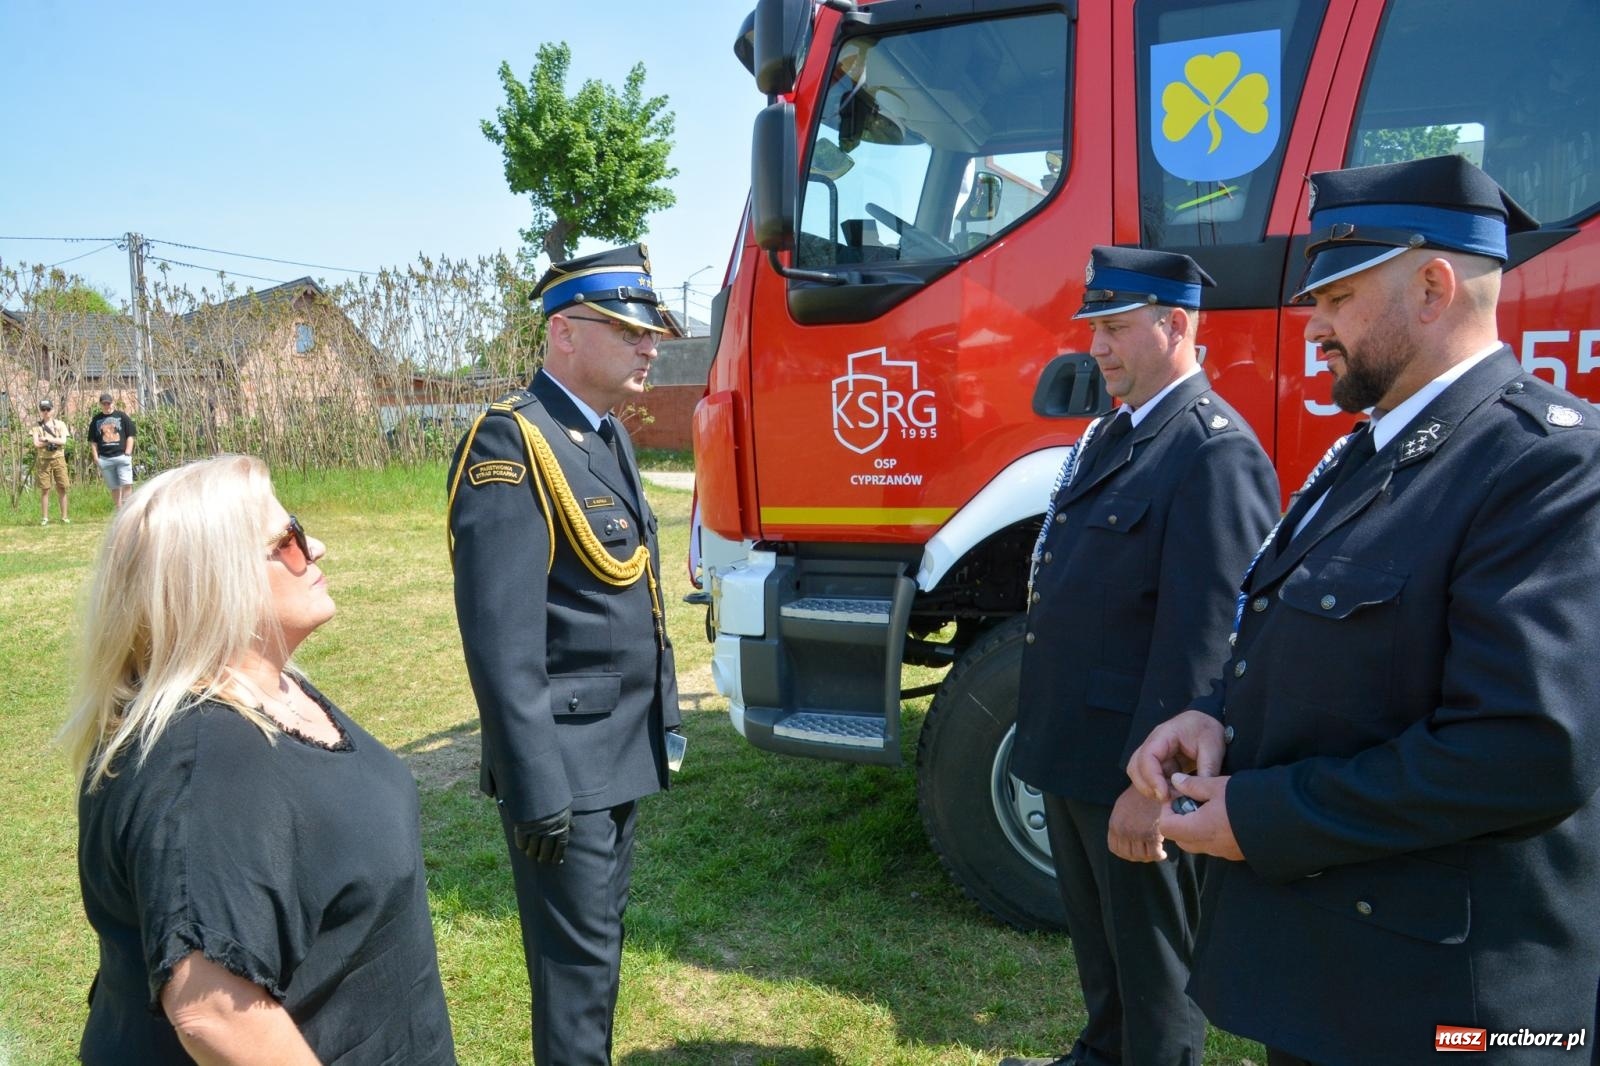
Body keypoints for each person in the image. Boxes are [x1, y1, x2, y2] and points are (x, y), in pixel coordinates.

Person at [1128, 155, 1600, 1065]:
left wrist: (1263, 818)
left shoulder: (1548, 467)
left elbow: (1526, 751)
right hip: (1336, 977)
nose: (1314, 328)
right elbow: (1315, 640)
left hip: (1447, 1007)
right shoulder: (1365, 453)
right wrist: (1214, 716)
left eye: (1338, 299)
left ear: (1432, 287)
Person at [60, 455, 456, 1065]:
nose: (315, 546)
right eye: (288, 539)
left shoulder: (268, 689)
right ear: (216, 580)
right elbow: (213, 1012)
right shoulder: (204, 768)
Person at [1004, 247, 1278, 1066]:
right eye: (1095, 329)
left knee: (1157, 972)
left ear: (1177, 326)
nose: (1098, 347)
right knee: (1104, 951)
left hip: (1133, 761)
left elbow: (1208, 643)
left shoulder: (1211, 450)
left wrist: (1150, 791)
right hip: (1079, 752)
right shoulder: (1118, 433)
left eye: (1116, 328)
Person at [448, 244, 683, 1065]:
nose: (650, 347)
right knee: (575, 977)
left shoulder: (603, 435)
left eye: (650, 334)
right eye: (629, 331)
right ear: (565, 334)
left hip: (615, 751)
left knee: (598, 962)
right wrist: (535, 784)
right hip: (566, 768)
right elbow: (501, 640)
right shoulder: (510, 445)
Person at [87, 391, 137, 508]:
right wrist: (96, 458)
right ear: (100, 404)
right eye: (104, 404)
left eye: (109, 403)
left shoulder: (122, 416)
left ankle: (127, 508)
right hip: (105, 459)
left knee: (127, 484)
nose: (107, 406)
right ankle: (119, 510)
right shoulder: (96, 420)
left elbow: (130, 435)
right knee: (114, 487)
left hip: (121, 456)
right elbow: (93, 441)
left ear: (112, 403)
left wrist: (128, 453)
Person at [31, 397, 70, 525]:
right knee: (45, 489)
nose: (46, 412)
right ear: (40, 411)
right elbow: (36, 443)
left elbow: (63, 441)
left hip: (59, 458)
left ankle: (64, 517)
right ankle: (45, 518)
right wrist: (50, 441)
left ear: (52, 410)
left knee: (62, 487)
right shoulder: (37, 426)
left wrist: (47, 440)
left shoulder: (60, 424)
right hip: (43, 460)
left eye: (48, 409)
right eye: (43, 409)